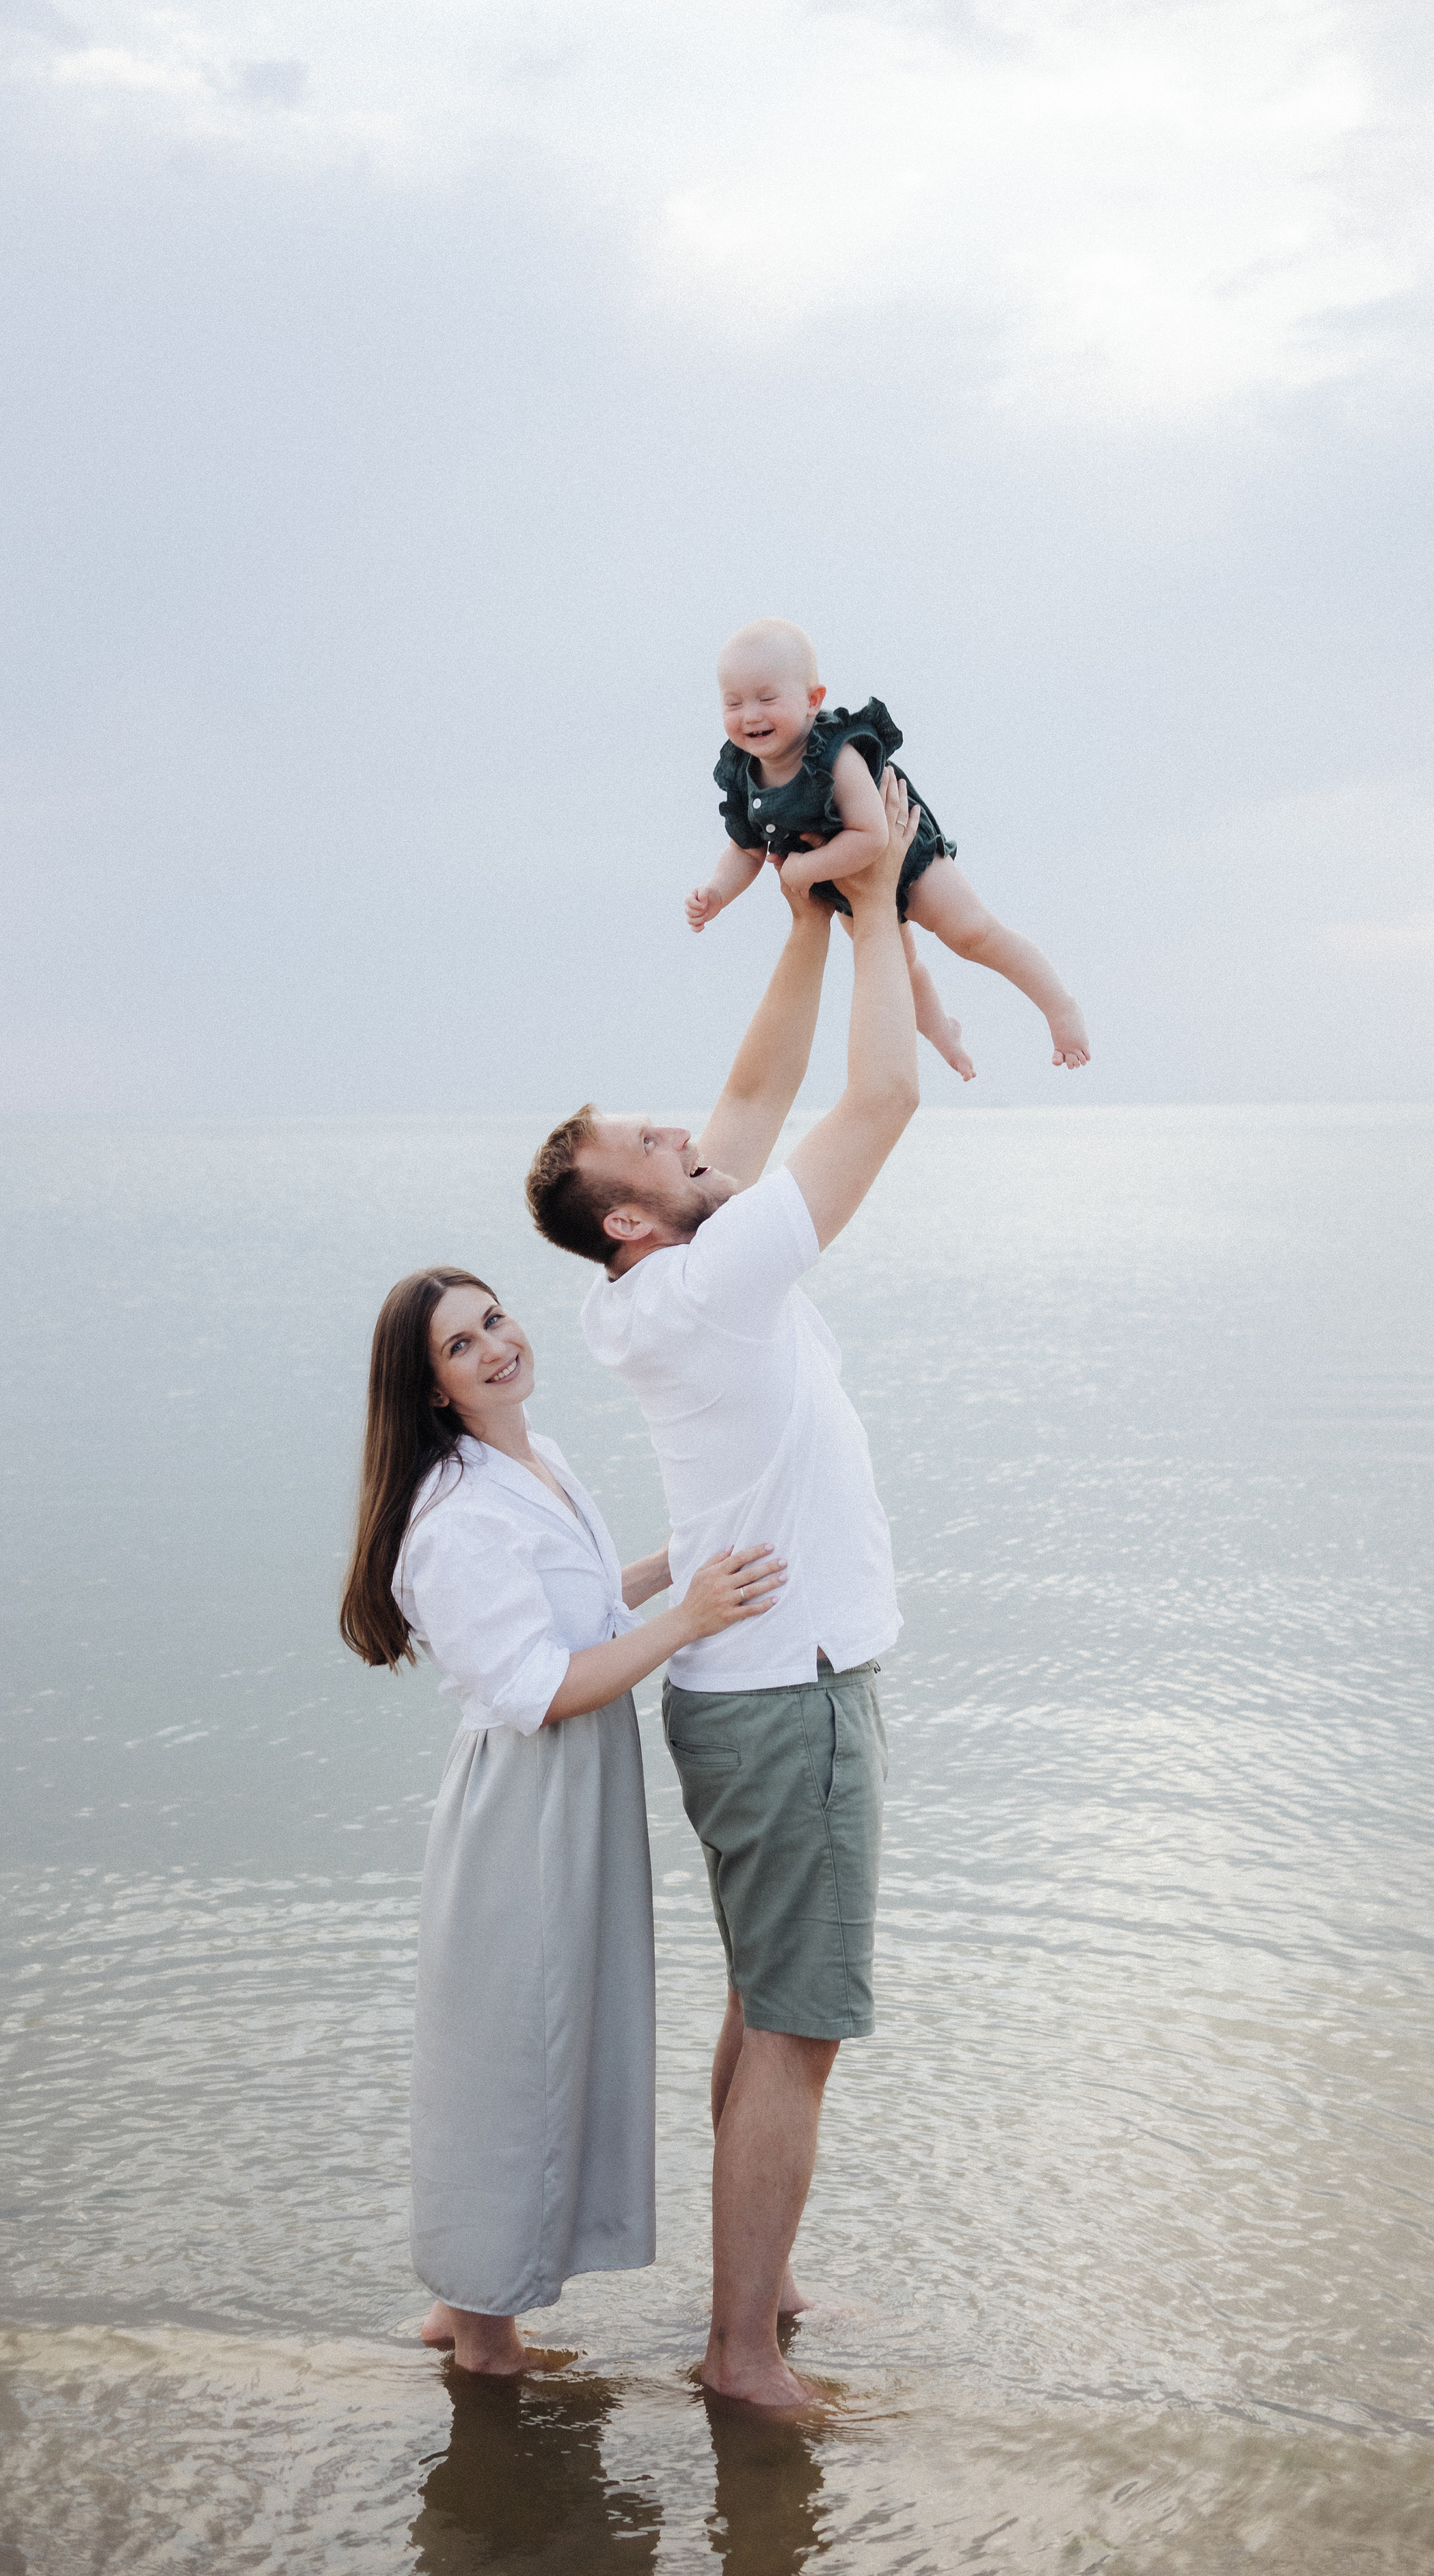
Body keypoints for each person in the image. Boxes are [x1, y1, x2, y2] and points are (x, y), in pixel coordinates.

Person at [524, 772, 924, 2411]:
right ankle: (739, 2346)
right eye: (655, 1143)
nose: (691, 1135)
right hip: (790, 1690)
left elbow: (755, 1089)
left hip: (744, 1685)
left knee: (765, 1998)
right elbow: (875, 1103)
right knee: (797, 2029)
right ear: (629, 1212)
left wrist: (803, 926)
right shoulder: (709, 1283)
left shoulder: (656, 1285)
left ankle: (746, 2291)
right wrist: (882, 898)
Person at [338, 1266, 785, 2377]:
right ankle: (485, 2339)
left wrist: (679, 1564)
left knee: (539, 2042)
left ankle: (466, 2306)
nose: (495, 1346)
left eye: (494, 1319)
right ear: (433, 1389)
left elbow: (581, 1606)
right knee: (514, 2057)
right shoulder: (452, 1514)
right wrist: (689, 1621)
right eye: (459, 1345)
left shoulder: (532, 1459)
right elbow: (542, 1685)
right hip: (530, 1798)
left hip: (570, 1785)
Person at [686, 615, 1091, 1083]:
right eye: (733, 702)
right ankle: (942, 1030)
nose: (750, 714)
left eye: (767, 698)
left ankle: (1059, 1005)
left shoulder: (833, 754)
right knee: (897, 969)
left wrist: (804, 870)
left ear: (813, 701)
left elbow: (872, 834)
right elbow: (745, 849)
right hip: (847, 886)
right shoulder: (743, 771)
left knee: (972, 934)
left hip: (906, 858)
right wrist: (717, 891)